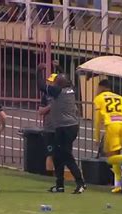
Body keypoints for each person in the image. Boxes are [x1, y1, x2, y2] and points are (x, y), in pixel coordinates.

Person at [37, 64, 86, 194]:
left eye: (56, 82)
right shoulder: (71, 89)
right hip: (69, 127)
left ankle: (80, 183)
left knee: (66, 156)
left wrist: (38, 71)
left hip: (65, 128)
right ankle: (59, 185)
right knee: (58, 156)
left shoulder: (57, 91)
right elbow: (67, 80)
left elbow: (41, 86)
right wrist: (59, 68)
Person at [93, 79, 122, 193]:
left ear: (101, 88)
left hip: (112, 126)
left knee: (110, 157)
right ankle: (118, 185)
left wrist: (96, 137)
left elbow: (97, 120)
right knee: (116, 155)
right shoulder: (121, 98)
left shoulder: (99, 99)